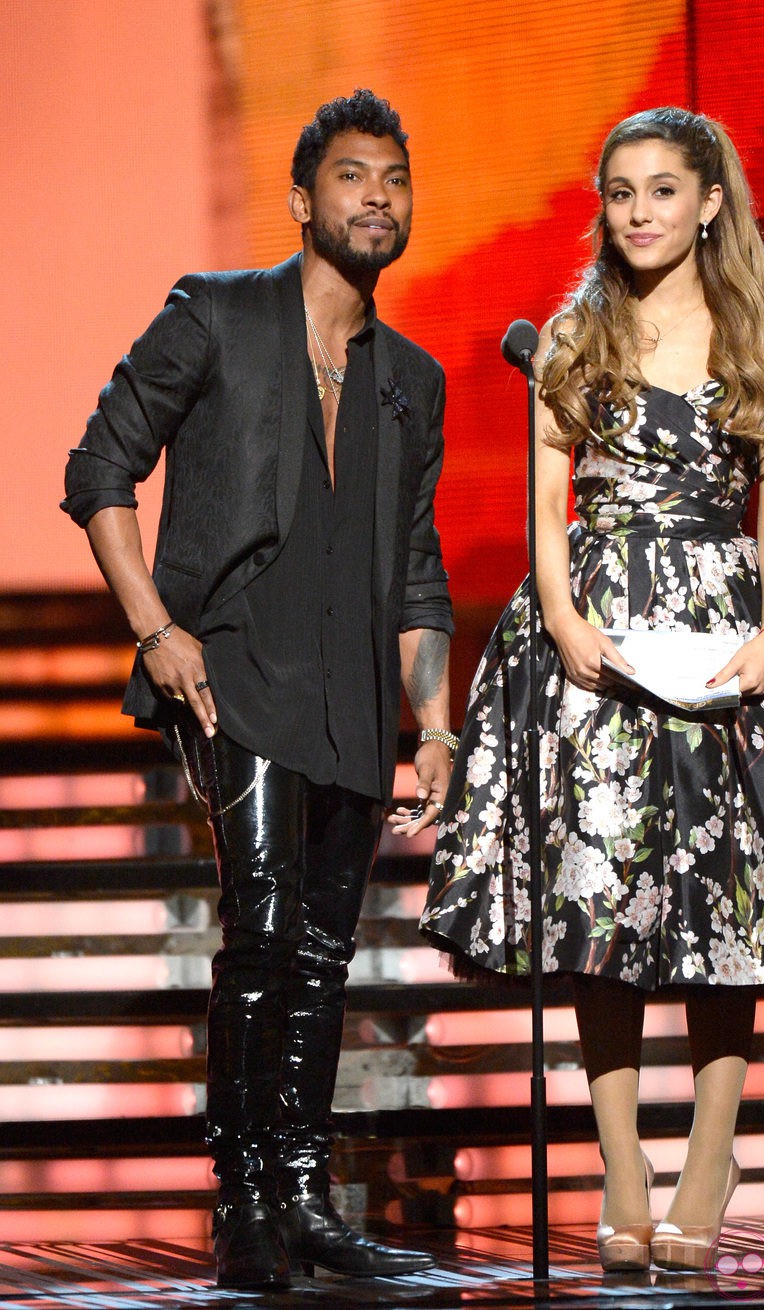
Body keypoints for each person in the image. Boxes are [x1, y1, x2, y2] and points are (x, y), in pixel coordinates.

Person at [418, 106, 764, 1274]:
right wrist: (559, 617)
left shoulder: (762, 340)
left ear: (709, 202)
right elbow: (545, 506)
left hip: (718, 637)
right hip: (596, 641)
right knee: (598, 904)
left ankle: (710, 1152)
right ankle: (621, 1162)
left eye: (661, 189)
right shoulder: (570, 336)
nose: (639, 211)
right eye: (619, 192)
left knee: (722, 901)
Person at [62, 89, 456, 1291]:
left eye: (393, 176)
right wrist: (156, 630)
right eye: (351, 175)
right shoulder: (218, 314)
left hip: (351, 695)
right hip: (235, 671)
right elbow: (98, 468)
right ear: (302, 200)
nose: (376, 195)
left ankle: (302, 1191)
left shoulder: (414, 378)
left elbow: (417, 569)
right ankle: (244, 1198)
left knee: (325, 954)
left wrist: (433, 716)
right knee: (265, 927)